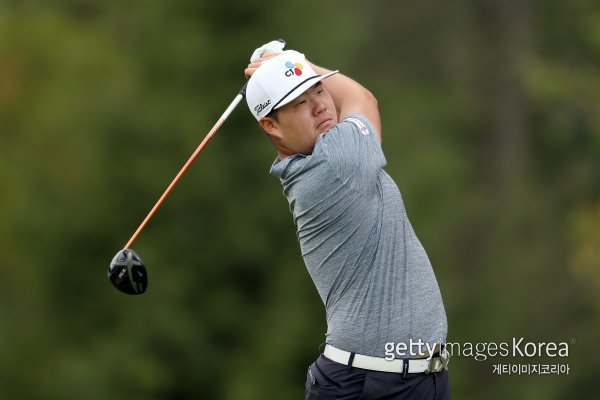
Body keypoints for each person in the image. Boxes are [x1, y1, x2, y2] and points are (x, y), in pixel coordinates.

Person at [244, 40, 450, 400]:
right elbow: (362, 98)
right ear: (270, 125)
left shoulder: (314, 159)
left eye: (318, 90)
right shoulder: (334, 162)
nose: (320, 106)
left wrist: (291, 67)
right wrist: (298, 61)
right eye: (299, 103)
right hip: (370, 384)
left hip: (410, 381)